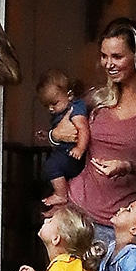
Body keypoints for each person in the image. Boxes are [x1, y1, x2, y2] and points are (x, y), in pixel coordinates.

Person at [49, 18, 136, 243]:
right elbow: (60, 135)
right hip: (75, 216)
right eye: (104, 56)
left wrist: (130, 166)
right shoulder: (96, 100)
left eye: (117, 56)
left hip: (121, 228)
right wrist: (55, 135)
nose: (109, 64)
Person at [36, 68, 89, 207]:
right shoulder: (62, 111)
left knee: (51, 166)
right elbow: (60, 133)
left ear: (69, 95)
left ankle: (61, 194)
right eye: (46, 106)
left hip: (74, 155)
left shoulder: (75, 109)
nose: (51, 109)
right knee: (50, 168)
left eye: (54, 103)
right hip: (65, 152)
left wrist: (80, 148)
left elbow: (83, 128)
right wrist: (49, 134)